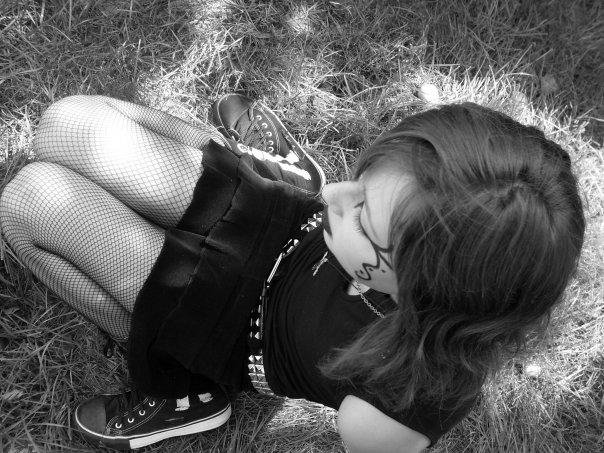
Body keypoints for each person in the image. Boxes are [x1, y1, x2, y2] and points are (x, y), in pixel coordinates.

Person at [0, 93, 585, 452]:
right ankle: (278, 174)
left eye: (362, 214)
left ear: (421, 288)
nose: (335, 194)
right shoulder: (364, 219)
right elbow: (331, 207)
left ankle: (186, 393)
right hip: (277, 220)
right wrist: (340, 218)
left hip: (227, 322)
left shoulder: (398, 409)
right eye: (361, 181)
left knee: (29, 200)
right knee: (64, 123)